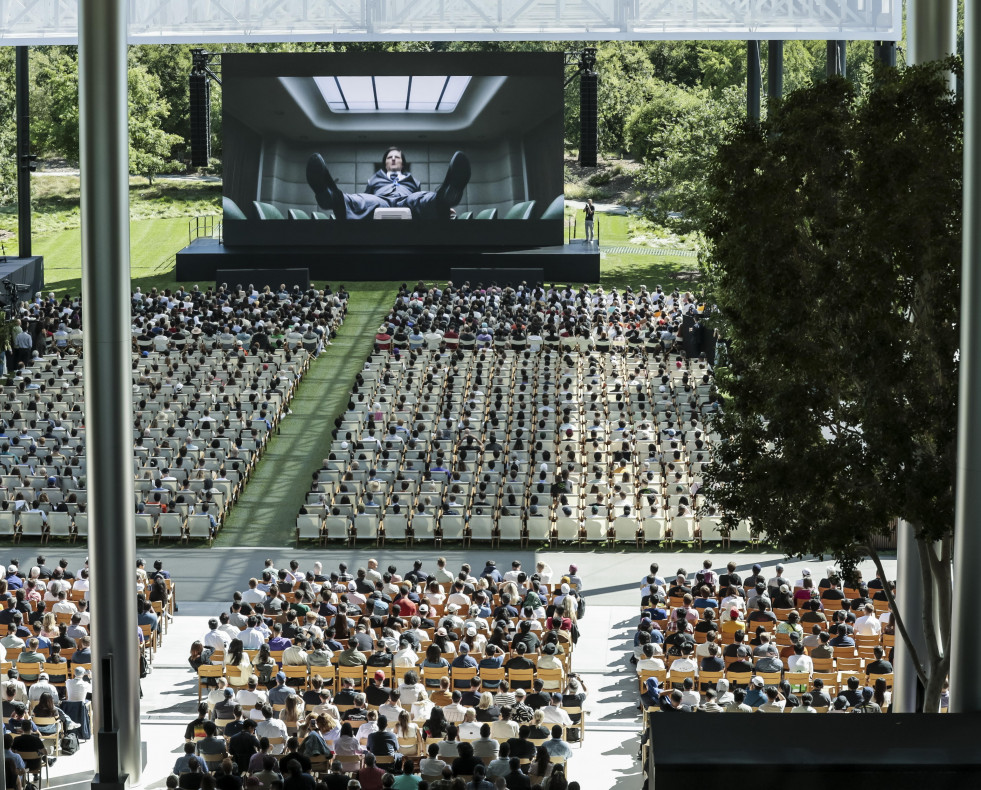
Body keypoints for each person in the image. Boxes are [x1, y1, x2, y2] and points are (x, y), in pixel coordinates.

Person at [306, 147, 471, 221]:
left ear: (402, 163)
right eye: (389, 157)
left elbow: (422, 202)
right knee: (361, 200)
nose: (393, 158)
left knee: (422, 198)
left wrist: (440, 204)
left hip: (408, 199)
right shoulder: (373, 179)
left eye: (397, 157)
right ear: (385, 163)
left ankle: (447, 195)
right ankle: (330, 196)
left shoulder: (414, 181)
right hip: (380, 201)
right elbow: (364, 198)